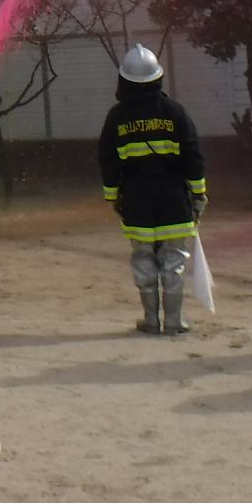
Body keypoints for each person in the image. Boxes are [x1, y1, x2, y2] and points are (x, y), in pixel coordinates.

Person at [98, 44, 207, 336]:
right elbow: (193, 155)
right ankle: (174, 321)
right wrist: (199, 193)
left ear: (124, 81)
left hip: (136, 202)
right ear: (157, 78)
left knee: (143, 259)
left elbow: (108, 161)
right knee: (174, 262)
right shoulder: (175, 112)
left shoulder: (116, 117)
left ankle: (150, 320)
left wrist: (113, 197)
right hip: (174, 201)